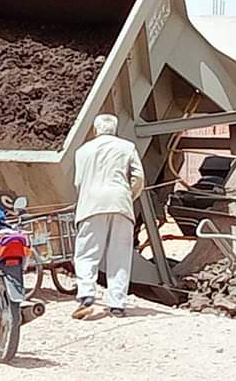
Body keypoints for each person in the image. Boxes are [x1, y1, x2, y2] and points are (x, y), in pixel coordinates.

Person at [71, 114, 144, 320]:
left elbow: (78, 182)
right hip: (120, 203)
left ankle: (86, 293)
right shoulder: (127, 147)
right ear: (115, 129)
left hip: (91, 204)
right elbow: (138, 177)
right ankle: (117, 304)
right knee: (119, 255)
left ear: (95, 130)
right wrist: (128, 195)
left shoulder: (82, 151)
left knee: (87, 252)